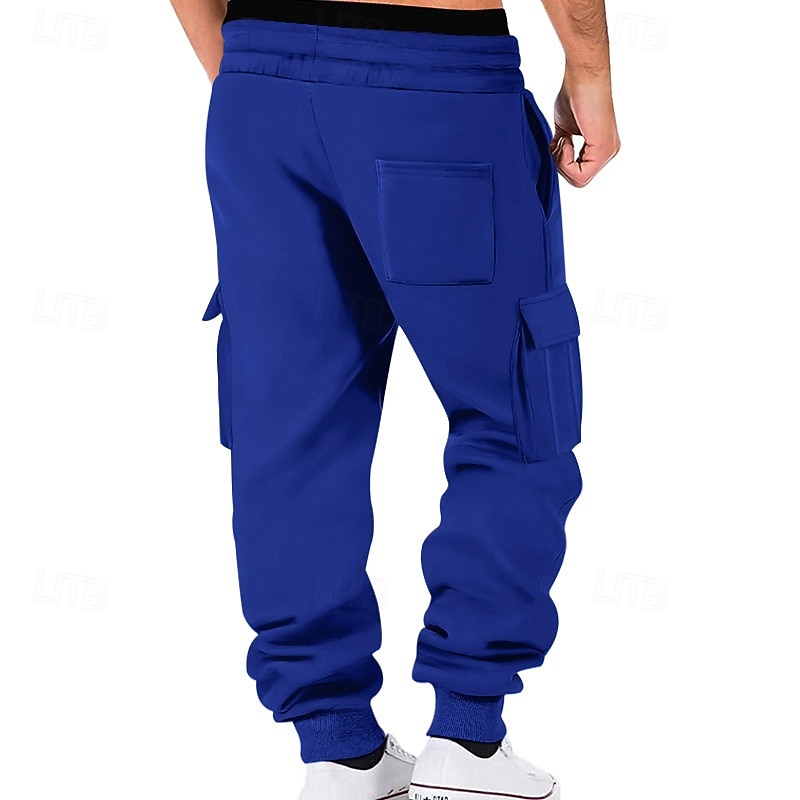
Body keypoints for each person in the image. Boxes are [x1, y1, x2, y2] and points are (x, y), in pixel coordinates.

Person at [168, 1, 620, 799]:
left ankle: (337, 750)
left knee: (289, 423)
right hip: (432, 75)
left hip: (259, 86)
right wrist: (589, 67)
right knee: (514, 405)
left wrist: (246, 69)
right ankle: (467, 739)